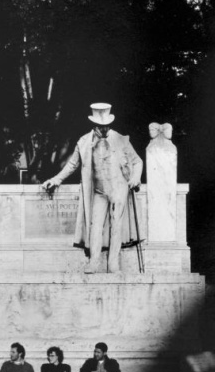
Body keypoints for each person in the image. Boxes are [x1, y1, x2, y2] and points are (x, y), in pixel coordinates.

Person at [41, 103, 143, 273]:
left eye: (106, 126)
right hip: (99, 191)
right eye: (100, 126)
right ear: (94, 125)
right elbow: (73, 164)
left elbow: (137, 161)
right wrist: (56, 179)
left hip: (118, 188)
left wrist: (135, 177)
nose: (103, 129)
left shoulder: (120, 139)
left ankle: (113, 264)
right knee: (95, 225)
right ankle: (94, 262)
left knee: (116, 225)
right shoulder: (84, 142)